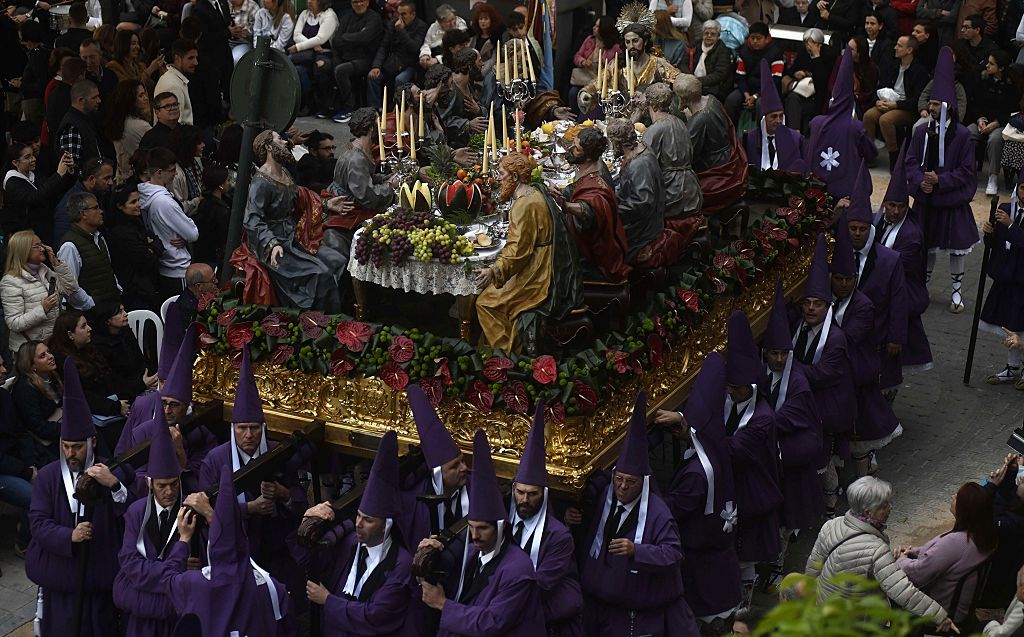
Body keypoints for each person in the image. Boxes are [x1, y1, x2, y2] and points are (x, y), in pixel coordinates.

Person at [189, 346, 308, 621]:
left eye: (254, 428)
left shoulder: (278, 453)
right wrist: (248, 509)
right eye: (242, 428)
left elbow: (302, 501)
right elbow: (203, 506)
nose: (248, 435)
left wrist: (284, 493)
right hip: (234, 553)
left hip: (277, 550)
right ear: (232, 429)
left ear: (263, 428)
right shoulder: (215, 460)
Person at [575, 393, 700, 637]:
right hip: (596, 604)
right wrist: (575, 518)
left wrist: (637, 550)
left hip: (632, 612)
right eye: (618, 479)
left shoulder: (659, 514)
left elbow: (673, 554)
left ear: (643, 483)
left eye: (630, 482)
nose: (622, 487)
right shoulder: (606, 498)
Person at [25, 358, 133, 637]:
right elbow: (37, 523)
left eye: (76, 447)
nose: (70, 453)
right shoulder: (49, 478)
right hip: (62, 581)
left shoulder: (113, 471)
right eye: (66, 446)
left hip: (99, 580)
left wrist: (115, 486)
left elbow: (133, 513)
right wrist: (68, 536)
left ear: (92, 442)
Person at [419, 427, 546, 637]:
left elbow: (491, 623)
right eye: (471, 527)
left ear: (502, 526)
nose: (475, 535)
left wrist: (443, 605)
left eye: (483, 528)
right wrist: (427, 560)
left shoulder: (518, 570)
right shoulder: (471, 552)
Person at [654, 353, 742, 636]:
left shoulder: (694, 476)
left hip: (702, 566)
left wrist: (648, 487)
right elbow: (706, 434)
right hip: (721, 558)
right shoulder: (716, 447)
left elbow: (670, 508)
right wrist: (683, 422)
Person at [805, 476, 956, 633]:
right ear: (868, 512)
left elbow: (813, 567)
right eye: (884, 506)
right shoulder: (876, 549)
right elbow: (903, 591)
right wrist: (938, 615)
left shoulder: (831, 525)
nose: (890, 508)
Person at [303, 430, 414, 636]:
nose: (359, 524)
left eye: (368, 520)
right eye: (358, 516)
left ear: (385, 526)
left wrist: (328, 600)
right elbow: (304, 560)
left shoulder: (402, 564)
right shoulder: (349, 544)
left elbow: (376, 616)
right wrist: (307, 519)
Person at [475, 151, 585, 352]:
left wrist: (494, 271)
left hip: (540, 273)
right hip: (547, 261)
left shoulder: (523, 205)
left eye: (502, 174)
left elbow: (519, 251)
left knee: (485, 303)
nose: (498, 178)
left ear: (515, 177)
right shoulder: (535, 191)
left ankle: (508, 354)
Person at [168, 465, 290, 636]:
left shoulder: (192, 584)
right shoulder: (273, 587)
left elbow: (166, 578)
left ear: (212, 546)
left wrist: (183, 540)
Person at [905, 46, 979, 314]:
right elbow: (911, 161)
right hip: (927, 200)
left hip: (951, 201)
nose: (931, 108)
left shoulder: (962, 136)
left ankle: (957, 293)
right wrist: (919, 182)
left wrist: (941, 180)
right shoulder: (921, 131)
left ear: (947, 106)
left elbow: (967, 170)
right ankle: (921, 288)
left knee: (957, 249)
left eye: (936, 104)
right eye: (931, 103)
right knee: (926, 246)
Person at [722, 310, 783, 614]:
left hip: (752, 492)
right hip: (731, 488)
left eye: (738, 388)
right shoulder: (728, 400)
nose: (732, 393)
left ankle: (742, 611)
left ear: (753, 387)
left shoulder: (762, 418)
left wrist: (687, 429)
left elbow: (734, 449)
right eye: (729, 387)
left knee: (746, 555)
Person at [113, 411, 195, 637]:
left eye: (173, 484)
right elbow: (130, 563)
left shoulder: (189, 513)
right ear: (150, 484)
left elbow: (194, 570)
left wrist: (151, 572)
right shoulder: (136, 512)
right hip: (142, 614)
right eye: (161, 486)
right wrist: (175, 565)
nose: (169, 492)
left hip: (173, 614)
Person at [242, 129, 344, 310]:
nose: (286, 142)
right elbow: (252, 219)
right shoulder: (261, 182)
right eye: (280, 139)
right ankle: (318, 320)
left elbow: (300, 197)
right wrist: (271, 243)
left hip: (294, 236)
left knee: (337, 260)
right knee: (320, 273)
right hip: (276, 243)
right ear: (268, 146)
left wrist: (326, 204)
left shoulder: (285, 174)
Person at [759, 280, 823, 570]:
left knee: (785, 518)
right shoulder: (758, 376)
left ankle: (775, 569)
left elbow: (791, 417)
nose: (780, 360)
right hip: (763, 457)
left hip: (788, 458)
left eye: (785, 354)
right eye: (774, 353)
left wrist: (757, 427)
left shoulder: (798, 381)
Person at [505, 404, 584, 635]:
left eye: (533, 494)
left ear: (544, 494)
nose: (525, 500)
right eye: (520, 492)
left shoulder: (559, 536)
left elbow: (543, 584)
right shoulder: (503, 524)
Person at [793, 234, 857, 515]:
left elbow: (822, 374)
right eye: (806, 303)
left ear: (827, 307)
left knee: (823, 457)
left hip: (827, 407)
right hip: (806, 402)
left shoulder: (835, 339)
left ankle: (831, 501)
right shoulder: (800, 328)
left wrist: (789, 372)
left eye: (817, 304)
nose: (810, 308)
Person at [896, 482, 997, 621]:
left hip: (940, 611)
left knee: (890, 587)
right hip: (961, 606)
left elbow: (918, 575)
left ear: (966, 510)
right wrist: (915, 551)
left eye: (958, 497)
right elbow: (943, 556)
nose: (953, 496)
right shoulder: (984, 535)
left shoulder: (957, 542)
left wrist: (900, 559)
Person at [875, 149, 932, 384]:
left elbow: (891, 267)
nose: (896, 211)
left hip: (901, 294)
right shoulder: (876, 221)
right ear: (885, 204)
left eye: (901, 206)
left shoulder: (911, 235)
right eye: (891, 205)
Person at [550, 127, 631, 283]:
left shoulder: (597, 181)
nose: (570, 148)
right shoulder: (589, 167)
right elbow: (576, 190)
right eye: (573, 144)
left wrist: (566, 206)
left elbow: (590, 210)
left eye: (577, 149)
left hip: (592, 255)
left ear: (588, 156)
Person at [607, 117, 686, 268]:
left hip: (643, 229)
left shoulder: (639, 165)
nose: (611, 147)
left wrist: (611, 211)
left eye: (612, 142)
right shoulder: (640, 149)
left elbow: (642, 203)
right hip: (642, 217)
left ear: (618, 143)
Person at [805, 50, 877, 199]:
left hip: (815, 191)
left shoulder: (816, 123)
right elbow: (871, 154)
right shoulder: (855, 127)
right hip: (847, 193)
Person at [138, 147, 199, 301]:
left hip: (165, 265)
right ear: (159, 172)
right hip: (177, 268)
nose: (175, 174)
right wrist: (186, 234)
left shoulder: (145, 195)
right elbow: (193, 233)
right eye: (172, 170)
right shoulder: (164, 202)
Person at [981, 173, 1024, 385]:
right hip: (1007, 276)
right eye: (1023, 187)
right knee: (1010, 324)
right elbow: (995, 242)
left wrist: (1009, 226)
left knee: (1021, 325)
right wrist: (989, 233)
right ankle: (1012, 367)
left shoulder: (1008, 218)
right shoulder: (1006, 209)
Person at [47, 312, 133, 419]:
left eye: (87, 324)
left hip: (112, 403)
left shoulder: (86, 348)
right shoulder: (64, 362)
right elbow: (81, 396)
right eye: (83, 326)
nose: (89, 328)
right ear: (70, 335)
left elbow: (109, 376)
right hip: (92, 415)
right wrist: (116, 407)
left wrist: (136, 388)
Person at [863, 36, 928, 171]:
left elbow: (917, 99)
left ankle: (895, 156)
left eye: (899, 45)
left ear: (909, 50)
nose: (895, 48)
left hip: (907, 108)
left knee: (886, 120)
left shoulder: (919, 70)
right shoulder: (892, 65)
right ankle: (868, 153)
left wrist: (896, 105)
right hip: (888, 103)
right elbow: (880, 86)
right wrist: (877, 101)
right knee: (869, 116)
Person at [643, 82, 702, 220]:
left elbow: (645, 167)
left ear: (650, 103)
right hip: (692, 190)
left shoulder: (655, 130)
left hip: (672, 194)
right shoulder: (680, 122)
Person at [0, 358, 41, 555]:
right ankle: (24, 544)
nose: (4, 369)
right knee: (33, 498)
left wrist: (31, 462)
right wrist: (26, 472)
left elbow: (21, 432)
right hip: (4, 470)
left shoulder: (4, 396)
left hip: (18, 462)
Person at [57, 191, 122, 311]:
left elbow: (107, 268)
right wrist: (90, 303)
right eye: (96, 208)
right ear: (83, 214)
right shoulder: (69, 246)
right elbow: (70, 287)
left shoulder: (99, 237)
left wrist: (116, 288)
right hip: (90, 315)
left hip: (110, 307)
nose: (101, 211)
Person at [970, 50, 1020, 195]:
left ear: (1001, 68)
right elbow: (975, 103)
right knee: (967, 133)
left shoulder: (1011, 84)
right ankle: (967, 172)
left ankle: (993, 177)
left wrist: (996, 123)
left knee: (995, 139)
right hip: (982, 120)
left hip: (1002, 123)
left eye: (991, 64)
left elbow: (1013, 110)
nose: (987, 66)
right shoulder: (983, 80)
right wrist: (980, 119)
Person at [105, 186, 163, 312]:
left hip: (147, 287)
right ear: (120, 206)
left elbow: (158, 242)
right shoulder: (120, 232)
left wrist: (152, 247)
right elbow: (146, 260)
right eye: (133, 202)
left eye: (138, 200)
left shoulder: (136, 223)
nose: (138, 205)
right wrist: (152, 247)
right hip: (135, 291)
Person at [323, 0, 382, 123]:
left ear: (367, 2)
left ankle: (349, 108)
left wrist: (346, 37)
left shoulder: (374, 18)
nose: (358, 4)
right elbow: (336, 40)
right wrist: (355, 38)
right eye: (355, 2)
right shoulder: (346, 16)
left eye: (361, 1)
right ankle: (328, 106)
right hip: (346, 56)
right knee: (323, 66)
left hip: (366, 60)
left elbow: (365, 38)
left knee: (341, 70)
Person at [2, 143, 74, 242]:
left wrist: (68, 171)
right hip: (27, 235)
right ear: (15, 162)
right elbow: (35, 197)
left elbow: (54, 191)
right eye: (27, 157)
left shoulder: (36, 175)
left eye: (33, 155)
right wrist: (58, 174)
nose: (33, 159)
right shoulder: (12, 182)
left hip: (46, 227)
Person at [743, 60, 805, 173]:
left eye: (781, 116)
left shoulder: (796, 139)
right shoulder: (749, 139)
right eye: (773, 116)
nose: (778, 121)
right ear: (764, 118)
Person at [367, 0, 426, 118]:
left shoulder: (421, 26)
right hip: (393, 61)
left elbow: (414, 48)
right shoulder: (392, 24)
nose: (400, 17)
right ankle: (376, 109)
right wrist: (376, 66)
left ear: (412, 14)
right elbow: (383, 47)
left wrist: (402, 31)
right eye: (398, 14)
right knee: (373, 76)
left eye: (403, 14)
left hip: (410, 63)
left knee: (400, 80)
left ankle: (398, 109)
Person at [87, 302, 156, 401]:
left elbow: (139, 357)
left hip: (141, 381)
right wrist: (141, 385)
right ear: (107, 320)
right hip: (123, 394)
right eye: (119, 312)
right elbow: (113, 382)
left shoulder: (124, 330)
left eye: (124, 310)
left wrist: (149, 377)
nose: (125, 314)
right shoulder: (99, 346)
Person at [724, 22, 784, 127]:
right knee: (731, 100)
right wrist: (747, 95)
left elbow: (775, 80)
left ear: (766, 38)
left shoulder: (776, 53)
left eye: (758, 38)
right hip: (747, 89)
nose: (755, 41)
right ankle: (729, 135)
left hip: (767, 91)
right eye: (752, 38)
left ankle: (760, 136)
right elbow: (740, 76)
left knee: (761, 105)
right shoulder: (743, 51)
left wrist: (756, 96)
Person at [780, 29, 835, 135]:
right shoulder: (803, 54)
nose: (809, 46)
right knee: (792, 98)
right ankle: (794, 133)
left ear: (820, 44)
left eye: (813, 43)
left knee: (809, 113)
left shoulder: (828, 56)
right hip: (801, 92)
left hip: (818, 97)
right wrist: (797, 73)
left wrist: (816, 57)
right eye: (807, 43)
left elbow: (822, 81)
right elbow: (791, 70)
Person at [54, 157, 115, 248]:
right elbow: (62, 241)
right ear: (91, 179)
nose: (110, 183)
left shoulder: (100, 194)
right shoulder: (70, 204)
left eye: (111, 178)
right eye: (106, 178)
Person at [289, 0, 338, 111]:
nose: (309, 1)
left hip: (325, 53)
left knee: (320, 66)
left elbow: (321, 38)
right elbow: (296, 35)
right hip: (308, 53)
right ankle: (307, 103)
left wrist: (299, 47)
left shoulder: (329, 15)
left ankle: (325, 104)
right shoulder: (305, 14)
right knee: (299, 70)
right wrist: (311, 45)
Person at [105, 80, 154, 184]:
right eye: (141, 95)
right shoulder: (139, 126)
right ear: (130, 100)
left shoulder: (119, 122)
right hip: (139, 178)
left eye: (145, 93)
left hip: (124, 177)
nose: (146, 98)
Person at [55, 79, 105, 171]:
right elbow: (71, 167)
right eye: (94, 98)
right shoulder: (72, 126)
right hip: (82, 184)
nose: (99, 100)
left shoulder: (85, 119)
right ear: (81, 100)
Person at [192, 165, 231, 268]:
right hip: (214, 258)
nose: (229, 183)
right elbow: (224, 240)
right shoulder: (221, 210)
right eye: (227, 180)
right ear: (220, 185)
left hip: (202, 255)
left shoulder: (203, 203)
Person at [153, 39, 197, 127]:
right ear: (177, 59)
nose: (196, 62)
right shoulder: (172, 85)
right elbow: (174, 126)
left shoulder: (175, 80)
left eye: (196, 58)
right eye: (190, 58)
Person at [106, 30, 165, 94]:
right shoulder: (113, 66)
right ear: (123, 44)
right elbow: (128, 89)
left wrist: (161, 69)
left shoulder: (140, 66)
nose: (137, 47)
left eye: (138, 43)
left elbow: (152, 88)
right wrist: (150, 69)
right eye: (133, 43)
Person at [687, 20, 733, 99]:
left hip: (712, 88)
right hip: (691, 82)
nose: (709, 36)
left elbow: (719, 74)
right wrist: (689, 78)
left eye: (713, 34)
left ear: (718, 36)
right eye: (706, 33)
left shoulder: (723, 50)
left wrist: (697, 81)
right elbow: (684, 63)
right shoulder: (695, 45)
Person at [168, 124, 204, 217]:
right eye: (199, 143)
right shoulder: (175, 174)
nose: (203, 145)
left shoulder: (196, 161)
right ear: (189, 145)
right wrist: (199, 200)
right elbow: (178, 208)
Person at [79, 39, 120, 107]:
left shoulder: (111, 75)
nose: (88, 62)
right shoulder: (81, 79)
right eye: (84, 58)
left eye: (92, 57)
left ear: (100, 54)